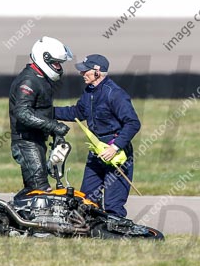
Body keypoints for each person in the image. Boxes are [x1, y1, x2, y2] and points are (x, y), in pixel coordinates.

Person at [55, 54, 141, 217]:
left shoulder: (114, 94)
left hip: (116, 155)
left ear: (97, 71)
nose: (82, 74)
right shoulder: (89, 91)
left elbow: (133, 123)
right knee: (87, 200)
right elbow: (77, 112)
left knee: (113, 205)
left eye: (85, 71)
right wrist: (48, 111)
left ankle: (114, 236)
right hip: (96, 153)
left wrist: (114, 147)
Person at [9, 36, 72, 200]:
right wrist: (54, 126)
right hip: (26, 143)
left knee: (33, 189)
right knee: (40, 190)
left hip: (35, 141)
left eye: (60, 64)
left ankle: (20, 217)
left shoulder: (41, 78)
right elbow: (22, 113)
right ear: (44, 59)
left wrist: (54, 133)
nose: (58, 67)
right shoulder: (29, 81)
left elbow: (41, 111)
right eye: (56, 63)